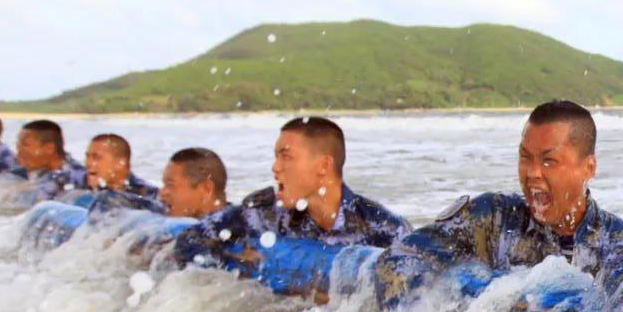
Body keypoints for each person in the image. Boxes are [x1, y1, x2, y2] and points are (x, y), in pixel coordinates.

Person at [374, 100, 623, 312]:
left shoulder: (622, 244)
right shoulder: (490, 219)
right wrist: (483, 296)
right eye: (525, 158)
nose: (532, 173)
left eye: (549, 161)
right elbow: (397, 262)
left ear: (588, 168)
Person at [173, 116, 410, 269]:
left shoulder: (385, 229)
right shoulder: (262, 216)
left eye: (285, 156)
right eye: (276, 157)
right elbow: (188, 242)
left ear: (323, 166)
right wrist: (239, 262)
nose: (275, 168)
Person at [84, 147, 229, 219]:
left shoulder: (233, 228)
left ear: (206, 188)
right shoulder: (164, 215)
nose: (162, 192)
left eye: (170, 185)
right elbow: (108, 200)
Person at [31, 133, 158, 203]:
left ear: (120, 162)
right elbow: (51, 181)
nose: (88, 164)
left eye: (96, 158)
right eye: (87, 157)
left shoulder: (144, 192)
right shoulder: (77, 179)